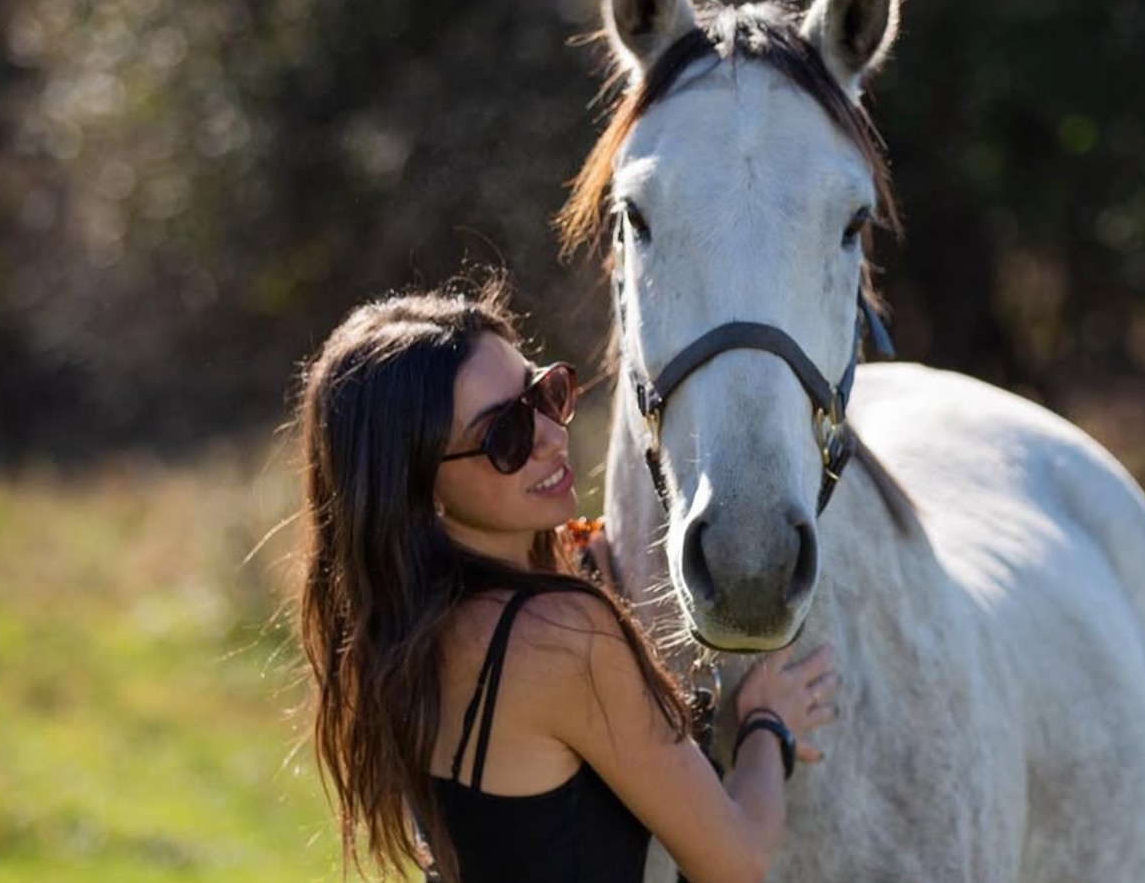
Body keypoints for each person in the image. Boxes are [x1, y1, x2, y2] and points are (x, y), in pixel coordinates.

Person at [291, 277, 840, 883]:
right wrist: (767, 724)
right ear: (423, 492)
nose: (552, 436)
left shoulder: (399, 625)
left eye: (544, 393)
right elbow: (737, 859)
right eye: (504, 436)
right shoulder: (562, 640)